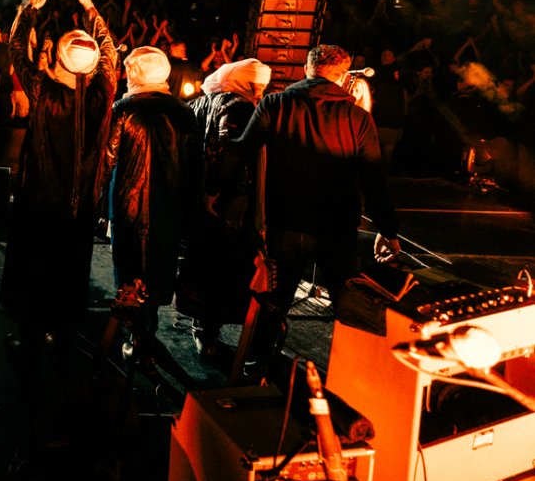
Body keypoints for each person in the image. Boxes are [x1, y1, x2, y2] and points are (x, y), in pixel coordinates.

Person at [230, 44, 401, 378]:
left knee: (274, 301)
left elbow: (241, 152)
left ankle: (255, 368)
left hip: (284, 224)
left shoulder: (275, 104)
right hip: (336, 230)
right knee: (348, 304)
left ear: (307, 69)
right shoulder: (358, 118)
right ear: (340, 76)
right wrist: (388, 229)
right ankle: (352, 376)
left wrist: (215, 192)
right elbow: (373, 179)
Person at [0, 0, 118, 373]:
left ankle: (29, 338)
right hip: (79, 204)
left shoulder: (45, 92)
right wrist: (91, 11)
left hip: (38, 201)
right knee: (70, 270)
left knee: (33, 269)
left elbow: (16, 51)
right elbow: (112, 55)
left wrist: (28, 12)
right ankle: (62, 338)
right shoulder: (103, 94)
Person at [101, 46, 202, 364]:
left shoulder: (124, 109)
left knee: (129, 269)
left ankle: (137, 335)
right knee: (159, 267)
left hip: (128, 208)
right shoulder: (185, 113)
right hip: (169, 209)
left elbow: (107, 159)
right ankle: (147, 332)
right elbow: (194, 166)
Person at [178, 58, 272, 359]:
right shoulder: (239, 109)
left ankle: (202, 325)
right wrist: (216, 191)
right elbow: (228, 152)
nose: (260, 92)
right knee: (223, 269)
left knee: (203, 263)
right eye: (256, 85)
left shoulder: (203, 102)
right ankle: (209, 332)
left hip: (201, 202)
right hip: (228, 205)